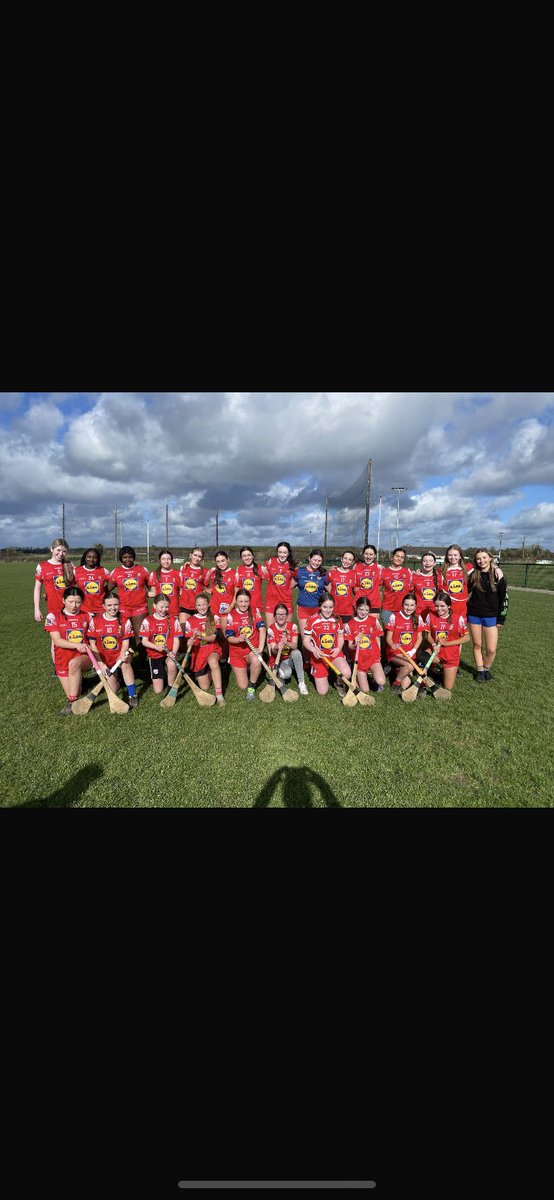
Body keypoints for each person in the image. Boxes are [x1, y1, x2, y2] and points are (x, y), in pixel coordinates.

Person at [44, 585, 90, 715]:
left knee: (74, 666)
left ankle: (71, 703)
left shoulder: (87, 616)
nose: (74, 605)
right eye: (70, 601)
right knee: (75, 690)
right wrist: (76, 645)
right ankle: (80, 684)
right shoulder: (53, 616)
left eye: (78, 602)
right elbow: (57, 641)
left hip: (83, 656)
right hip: (62, 658)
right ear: (63, 601)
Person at [88, 592, 138, 708]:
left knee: (125, 663)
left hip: (120, 655)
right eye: (109, 605)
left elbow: (126, 643)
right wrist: (101, 664)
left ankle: (132, 694)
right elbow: (92, 644)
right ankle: (117, 678)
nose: (113, 608)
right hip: (104, 659)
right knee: (114, 690)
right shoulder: (95, 621)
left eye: (115, 604)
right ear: (104, 606)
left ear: (119, 604)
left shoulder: (125, 621)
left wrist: (121, 656)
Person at [467, 549, 508, 682]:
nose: (481, 561)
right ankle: (480, 671)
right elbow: (462, 591)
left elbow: (504, 598)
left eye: (484, 557)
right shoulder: (473, 575)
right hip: (474, 615)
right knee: (477, 645)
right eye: (478, 558)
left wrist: (501, 618)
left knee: (491, 649)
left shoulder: (497, 574)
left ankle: (486, 668)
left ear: (490, 558)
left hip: (491, 616)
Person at [34, 538, 75, 667]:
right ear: (51, 549)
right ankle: (58, 667)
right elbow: (37, 588)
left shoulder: (69, 565)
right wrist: (37, 608)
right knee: (55, 640)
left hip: (70, 608)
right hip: (53, 609)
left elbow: (75, 587)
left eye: (64, 551)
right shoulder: (42, 566)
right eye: (58, 550)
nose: (61, 554)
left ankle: (73, 665)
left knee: (71, 637)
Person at [302, 594, 351, 696]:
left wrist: (338, 648)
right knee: (322, 692)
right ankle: (321, 671)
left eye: (331, 607)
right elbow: (306, 641)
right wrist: (314, 650)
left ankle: (338, 683)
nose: (328, 610)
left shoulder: (337, 619)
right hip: (319, 657)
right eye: (325, 607)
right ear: (319, 606)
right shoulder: (312, 620)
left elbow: (341, 637)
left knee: (347, 673)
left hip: (334, 655)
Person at [181, 592, 225, 705]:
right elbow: (188, 641)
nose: (202, 607)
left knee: (213, 661)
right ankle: (212, 672)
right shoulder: (190, 621)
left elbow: (214, 638)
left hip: (212, 648)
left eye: (204, 604)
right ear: (195, 606)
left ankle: (219, 695)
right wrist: (189, 642)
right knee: (204, 687)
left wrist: (201, 635)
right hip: (198, 653)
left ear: (209, 604)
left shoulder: (213, 618)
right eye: (199, 605)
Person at [424, 590, 470, 695]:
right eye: (436, 606)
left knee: (448, 687)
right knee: (423, 657)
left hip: (451, 654)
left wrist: (446, 643)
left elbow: (467, 638)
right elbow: (428, 635)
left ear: (449, 606)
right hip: (436, 651)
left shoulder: (458, 618)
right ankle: (425, 677)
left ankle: (441, 673)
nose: (439, 609)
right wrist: (434, 644)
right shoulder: (430, 616)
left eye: (442, 606)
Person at [224, 589, 266, 699]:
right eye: (241, 601)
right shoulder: (231, 615)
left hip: (251, 651)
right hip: (237, 653)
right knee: (242, 686)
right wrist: (238, 639)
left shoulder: (254, 611)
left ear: (250, 601)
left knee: (257, 658)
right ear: (236, 602)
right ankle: (251, 669)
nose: (243, 604)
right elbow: (229, 638)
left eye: (246, 601)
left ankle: (252, 687)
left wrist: (260, 649)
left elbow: (262, 629)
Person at [138, 594, 181, 695]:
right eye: (161, 607)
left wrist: (173, 652)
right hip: (155, 655)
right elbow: (144, 641)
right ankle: (164, 675)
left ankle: (171, 689)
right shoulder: (148, 621)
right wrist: (156, 647)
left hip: (169, 653)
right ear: (154, 606)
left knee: (171, 664)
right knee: (158, 690)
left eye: (166, 607)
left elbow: (176, 639)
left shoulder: (173, 620)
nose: (164, 609)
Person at [109, 546, 151, 647]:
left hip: (139, 608)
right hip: (123, 608)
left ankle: (142, 661)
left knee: (140, 635)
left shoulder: (142, 570)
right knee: (123, 636)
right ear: (120, 558)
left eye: (130, 557)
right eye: (124, 557)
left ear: (134, 557)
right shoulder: (116, 572)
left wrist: (145, 594)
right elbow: (107, 590)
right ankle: (125, 659)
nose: (127, 560)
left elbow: (153, 588)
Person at [385, 592, 425, 695]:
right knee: (410, 666)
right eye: (406, 605)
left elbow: (419, 638)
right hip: (395, 653)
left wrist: (413, 651)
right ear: (402, 605)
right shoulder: (394, 617)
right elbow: (389, 638)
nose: (409, 608)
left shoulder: (418, 618)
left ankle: (396, 670)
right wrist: (392, 645)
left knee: (405, 685)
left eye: (412, 605)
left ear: (415, 606)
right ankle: (396, 683)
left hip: (409, 654)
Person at [344, 597, 386, 693]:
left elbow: (377, 638)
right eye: (361, 609)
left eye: (366, 610)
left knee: (381, 681)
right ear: (356, 608)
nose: (363, 612)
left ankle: (374, 679)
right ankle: (360, 678)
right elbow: (350, 646)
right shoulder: (349, 624)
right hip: (360, 660)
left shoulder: (374, 621)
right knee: (365, 690)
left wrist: (378, 654)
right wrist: (355, 643)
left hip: (373, 657)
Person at [267, 602, 308, 695]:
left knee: (297, 653)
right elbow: (273, 651)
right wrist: (277, 646)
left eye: (283, 614)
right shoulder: (271, 629)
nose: (281, 616)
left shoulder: (293, 626)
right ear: (274, 616)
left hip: (289, 659)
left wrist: (286, 642)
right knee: (287, 674)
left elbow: (295, 646)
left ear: (287, 615)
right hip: (277, 661)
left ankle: (301, 683)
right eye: (278, 614)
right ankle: (277, 673)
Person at [262, 542, 297, 628]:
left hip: (286, 602)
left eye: (284, 552)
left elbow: (297, 580)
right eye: (280, 552)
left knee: (286, 631)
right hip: (271, 601)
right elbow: (261, 572)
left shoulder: (292, 566)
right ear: (277, 552)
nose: (282, 555)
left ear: (288, 553)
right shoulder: (271, 562)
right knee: (271, 631)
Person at [296, 550, 328, 643]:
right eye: (314, 560)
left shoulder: (323, 574)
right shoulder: (299, 572)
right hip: (303, 609)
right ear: (309, 558)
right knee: (305, 640)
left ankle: (317, 657)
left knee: (317, 638)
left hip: (318, 610)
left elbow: (330, 591)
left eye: (319, 561)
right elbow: (290, 586)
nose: (316, 563)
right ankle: (306, 658)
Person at [380, 547, 413, 625]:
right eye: (397, 556)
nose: (399, 559)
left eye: (402, 557)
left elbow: (412, 590)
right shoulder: (384, 571)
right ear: (392, 557)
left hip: (403, 609)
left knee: (400, 633)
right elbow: (377, 589)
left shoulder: (407, 571)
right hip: (387, 608)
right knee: (388, 633)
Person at [325, 550, 357, 629]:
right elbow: (324, 583)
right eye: (345, 558)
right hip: (333, 610)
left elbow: (357, 590)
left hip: (347, 611)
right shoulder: (332, 572)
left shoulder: (354, 574)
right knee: (333, 634)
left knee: (346, 636)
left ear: (352, 562)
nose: (347, 561)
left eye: (350, 560)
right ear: (341, 559)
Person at [75, 548, 111, 617]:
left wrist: (103, 591)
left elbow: (114, 582)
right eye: (89, 557)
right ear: (85, 557)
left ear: (98, 559)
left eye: (94, 558)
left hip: (100, 609)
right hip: (83, 609)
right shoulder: (76, 571)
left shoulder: (104, 571)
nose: (91, 560)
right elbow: (69, 584)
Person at [205, 551, 236, 633]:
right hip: (214, 608)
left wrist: (230, 607)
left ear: (228, 560)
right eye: (218, 561)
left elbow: (237, 593)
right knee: (213, 633)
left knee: (225, 632)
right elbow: (205, 584)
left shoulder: (234, 574)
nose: (221, 564)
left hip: (226, 609)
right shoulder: (214, 573)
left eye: (223, 560)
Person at [148, 550, 181, 622]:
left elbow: (181, 593)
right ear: (160, 561)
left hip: (174, 611)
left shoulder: (178, 574)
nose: (166, 561)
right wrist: (138, 593)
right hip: (158, 612)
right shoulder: (153, 574)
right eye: (163, 559)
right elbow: (153, 593)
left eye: (168, 559)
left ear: (171, 560)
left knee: (173, 632)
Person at [179, 548, 207, 630]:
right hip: (184, 606)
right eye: (195, 555)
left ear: (202, 559)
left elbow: (207, 587)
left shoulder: (205, 571)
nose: (197, 558)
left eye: (199, 556)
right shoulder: (183, 568)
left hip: (199, 607)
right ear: (190, 555)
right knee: (183, 632)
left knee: (199, 633)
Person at [443, 544, 473, 619]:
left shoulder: (467, 569)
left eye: (455, 555)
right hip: (447, 606)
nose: (453, 557)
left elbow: (483, 566)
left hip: (462, 607)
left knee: (460, 629)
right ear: (446, 556)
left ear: (460, 556)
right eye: (450, 555)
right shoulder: (441, 571)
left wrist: (496, 568)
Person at [412, 552, 444, 622]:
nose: (427, 563)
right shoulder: (414, 576)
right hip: (418, 613)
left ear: (434, 563)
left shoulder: (440, 577)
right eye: (425, 561)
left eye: (430, 561)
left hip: (434, 613)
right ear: (421, 563)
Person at [234, 546, 264, 613]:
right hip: (242, 606)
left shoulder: (260, 568)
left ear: (253, 556)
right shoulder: (239, 569)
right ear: (241, 559)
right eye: (244, 556)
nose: (247, 558)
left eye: (249, 555)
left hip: (257, 606)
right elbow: (236, 588)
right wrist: (236, 604)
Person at [354, 545, 382, 613]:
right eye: (366, 554)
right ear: (363, 554)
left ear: (375, 555)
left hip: (374, 604)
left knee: (373, 623)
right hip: (359, 603)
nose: (368, 557)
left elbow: (382, 583)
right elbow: (352, 583)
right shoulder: (356, 566)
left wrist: (411, 572)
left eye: (371, 554)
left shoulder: (380, 568)